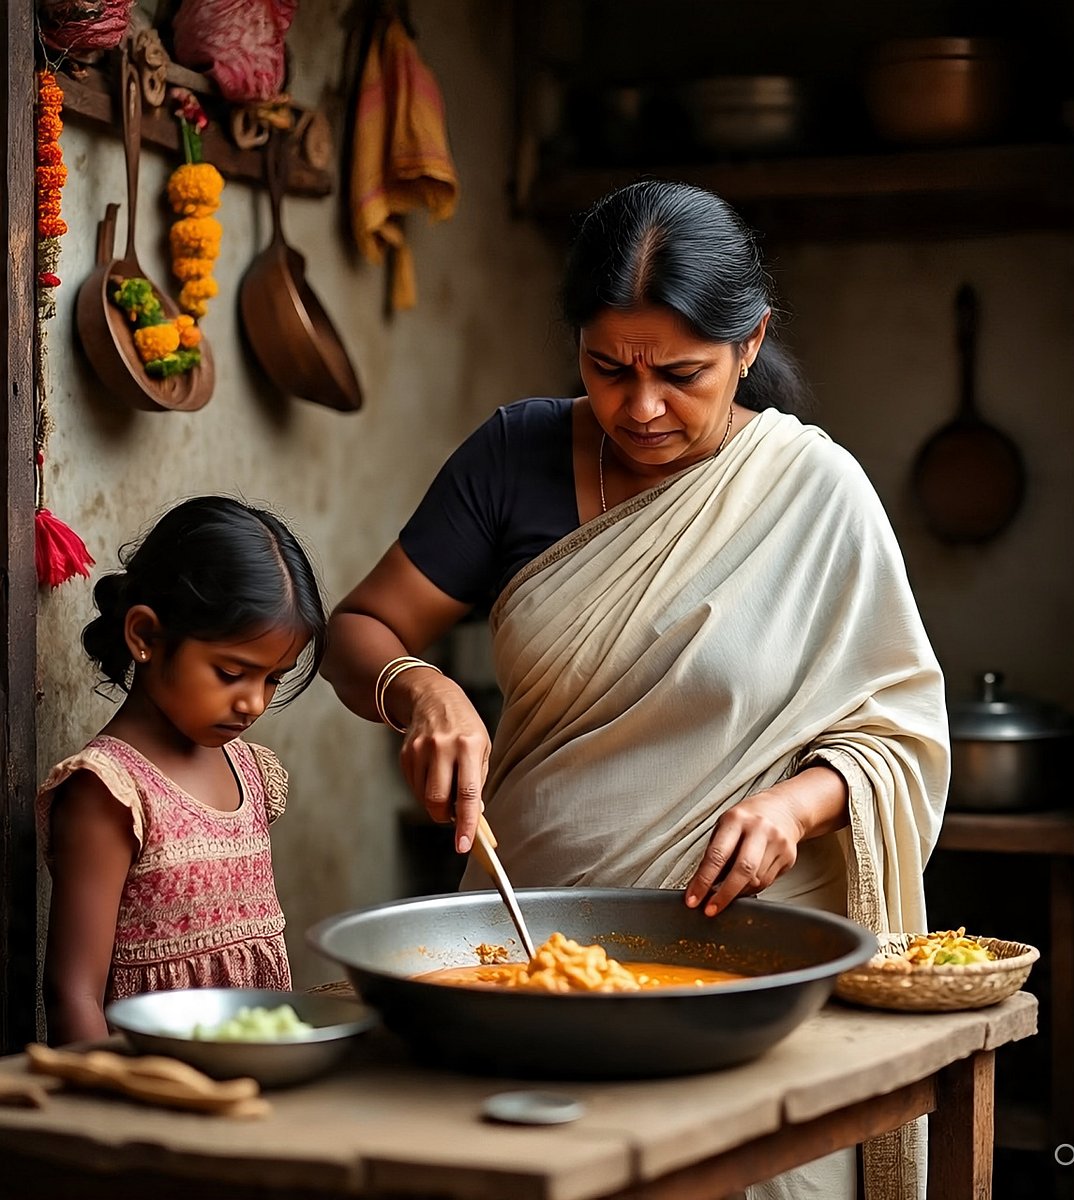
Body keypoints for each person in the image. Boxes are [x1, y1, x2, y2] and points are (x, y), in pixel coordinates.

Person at [321, 180, 949, 1199]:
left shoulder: (816, 494)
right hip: (523, 963)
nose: (643, 407)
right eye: (609, 368)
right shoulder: (515, 457)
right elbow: (358, 629)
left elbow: (903, 731)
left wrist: (797, 805)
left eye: (684, 375)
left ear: (751, 343)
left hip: (746, 979)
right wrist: (417, 685)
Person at [39, 496, 327, 1046]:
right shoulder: (111, 791)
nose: (255, 704)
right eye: (232, 673)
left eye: (273, 679)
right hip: (159, 1083)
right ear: (145, 636)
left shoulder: (248, 769)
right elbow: (72, 993)